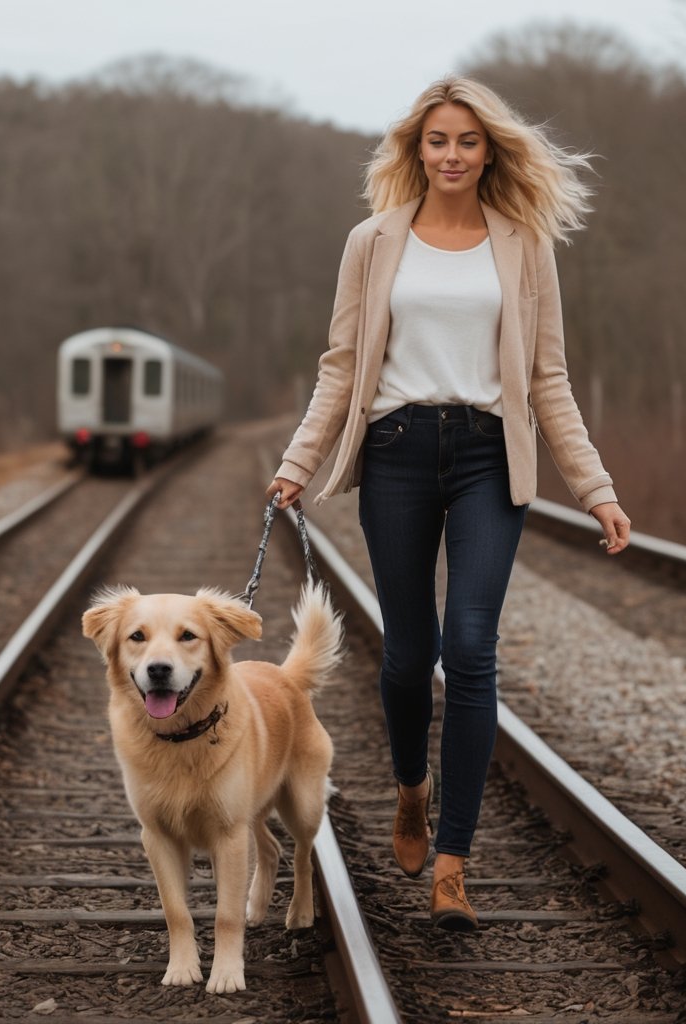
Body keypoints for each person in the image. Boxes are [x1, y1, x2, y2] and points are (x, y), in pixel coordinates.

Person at [266, 75, 631, 930]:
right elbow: (339, 363)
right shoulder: (373, 240)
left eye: (468, 141)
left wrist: (597, 490)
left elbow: (548, 380)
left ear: (489, 149)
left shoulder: (524, 244)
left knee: (470, 649)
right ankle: (411, 789)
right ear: (416, 149)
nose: (453, 155)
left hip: (485, 459)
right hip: (395, 452)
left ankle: (454, 865)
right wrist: (297, 463)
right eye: (438, 141)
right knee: (405, 654)